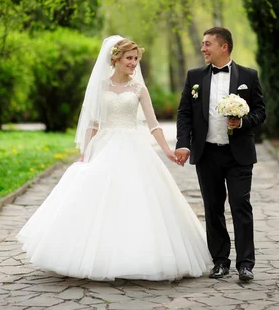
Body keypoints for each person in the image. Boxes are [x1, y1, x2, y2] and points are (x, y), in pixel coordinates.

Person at [17, 36, 212, 281]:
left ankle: (136, 257)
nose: (133, 63)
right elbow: (93, 124)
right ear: (116, 59)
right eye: (129, 58)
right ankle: (95, 256)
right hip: (105, 147)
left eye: (136, 59)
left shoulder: (139, 88)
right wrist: (85, 154)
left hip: (134, 148)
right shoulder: (100, 87)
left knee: (136, 200)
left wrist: (167, 151)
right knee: (99, 198)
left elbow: (153, 125)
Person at [175, 27, 266, 282]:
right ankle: (220, 261)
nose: (203, 48)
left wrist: (243, 122)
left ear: (223, 46)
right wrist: (184, 143)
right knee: (213, 208)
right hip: (207, 154)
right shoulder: (194, 76)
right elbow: (184, 113)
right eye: (203, 44)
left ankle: (246, 264)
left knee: (240, 206)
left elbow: (260, 112)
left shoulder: (249, 75)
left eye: (207, 44)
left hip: (239, 155)